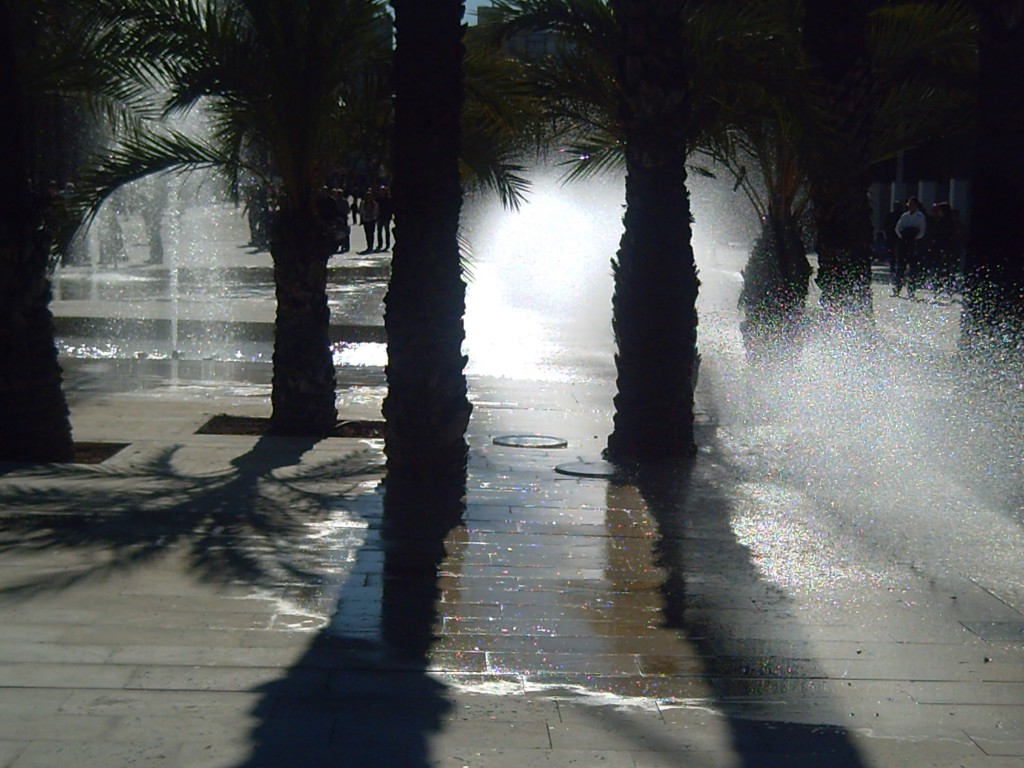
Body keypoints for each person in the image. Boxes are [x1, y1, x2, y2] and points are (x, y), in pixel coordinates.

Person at [893, 197, 927, 298]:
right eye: (909, 204)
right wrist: (903, 237)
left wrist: (913, 238)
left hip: (914, 243)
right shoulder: (904, 216)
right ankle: (897, 288)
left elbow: (922, 230)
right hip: (903, 242)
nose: (910, 206)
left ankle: (911, 290)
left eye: (912, 204)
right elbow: (898, 228)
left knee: (913, 268)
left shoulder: (920, 216)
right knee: (900, 266)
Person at [375, 185, 393, 252]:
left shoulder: (388, 199)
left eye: (383, 190)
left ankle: (387, 244)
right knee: (379, 231)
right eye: (381, 190)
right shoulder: (377, 199)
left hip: (386, 216)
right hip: (379, 216)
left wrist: (390, 215)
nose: (382, 192)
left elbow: (390, 208)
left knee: (386, 231)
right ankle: (380, 244)